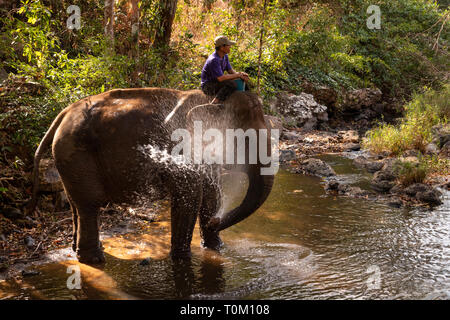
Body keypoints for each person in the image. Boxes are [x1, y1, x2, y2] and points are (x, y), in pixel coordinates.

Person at [201, 35, 249, 104]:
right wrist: (238, 75)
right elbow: (220, 78)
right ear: (222, 47)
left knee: (242, 81)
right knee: (231, 84)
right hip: (208, 85)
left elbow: (230, 71)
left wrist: (241, 75)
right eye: (228, 45)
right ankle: (215, 102)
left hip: (217, 82)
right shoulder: (214, 59)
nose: (230, 47)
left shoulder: (225, 56)